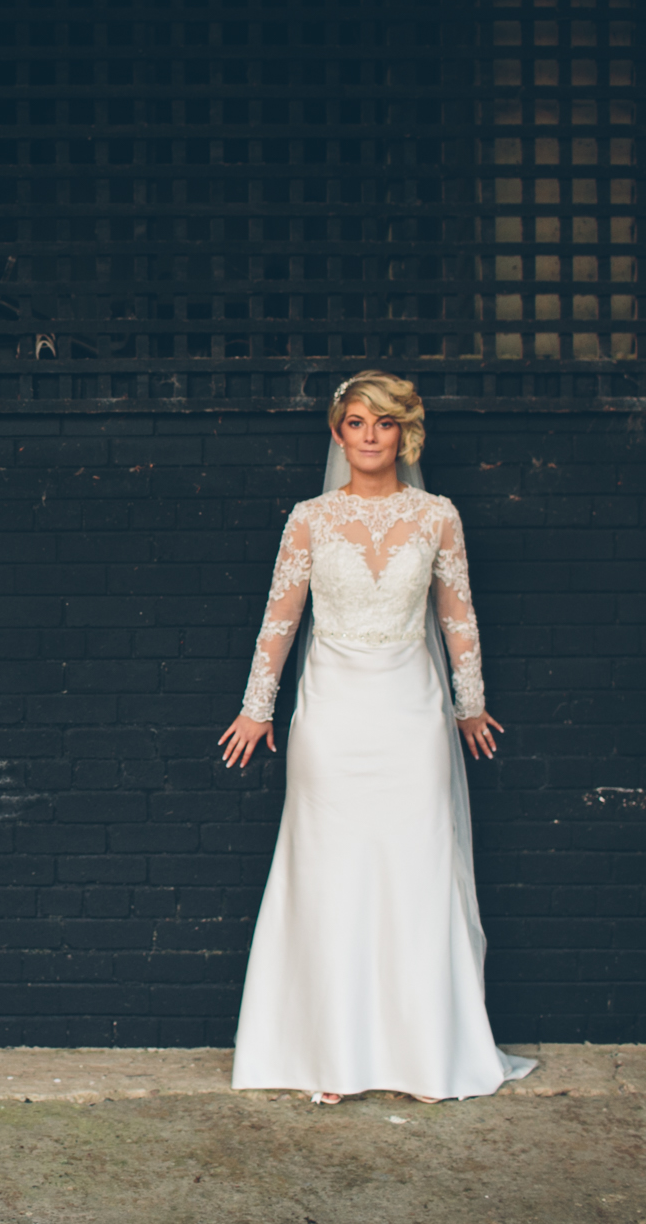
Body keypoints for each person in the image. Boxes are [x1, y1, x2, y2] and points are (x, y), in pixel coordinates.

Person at [217, 370, 535, 1103]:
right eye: (356, 422)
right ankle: (331, 1057)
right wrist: (256, 707)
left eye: (383, 424)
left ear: (404, 434)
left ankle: (424, 1054)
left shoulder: (437, 517)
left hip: (410, 715)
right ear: (338, 433)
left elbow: (459, 616)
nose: (369, 436)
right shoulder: (308, 518)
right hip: (330, 719)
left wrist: (471, 703)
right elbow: (279, 616)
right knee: (330, 878)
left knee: (415, 875)